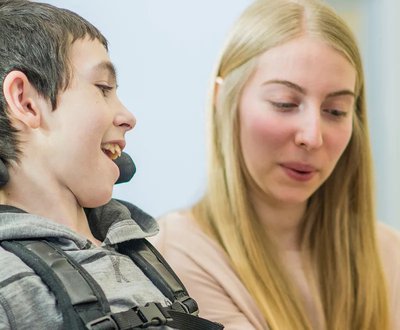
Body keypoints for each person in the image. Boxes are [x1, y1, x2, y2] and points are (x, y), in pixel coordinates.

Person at [150, 0, 400, 329]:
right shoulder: (171, 256)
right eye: (285, 103)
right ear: (221, 99)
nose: (312, 136)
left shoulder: (387, 252)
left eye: (336, 111)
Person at [0, 1, 223, 329]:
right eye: (103, 89)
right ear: (26, 101)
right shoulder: (9, 282)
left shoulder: (141, 254)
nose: (128, 117)